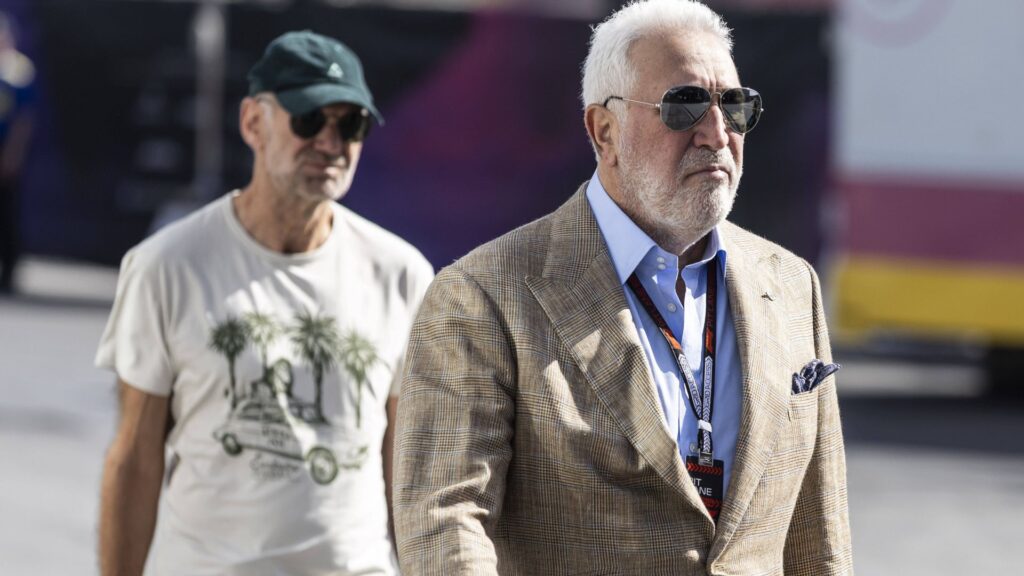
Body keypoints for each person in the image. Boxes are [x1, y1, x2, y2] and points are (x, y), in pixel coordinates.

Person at [392, 1, 852, 574]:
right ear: (603, 130)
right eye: (684, 106)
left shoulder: (792, 287)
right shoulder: (481, 296)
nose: (716, 133)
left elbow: (818, 535)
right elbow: (447, 524)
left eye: (734, 105)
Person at [96, 30, 434, 576]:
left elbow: (406, 460)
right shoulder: (167, 265)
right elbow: (135, 458)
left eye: (350, 124)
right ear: (253, 122)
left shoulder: (402, 274)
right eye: (308, 119)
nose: (330, 141)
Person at [0, 12, 34, 294]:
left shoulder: (18, 68)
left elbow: (24, 118)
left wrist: (13, 154)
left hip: (6, 154)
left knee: (8, 216)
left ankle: (9, 272)